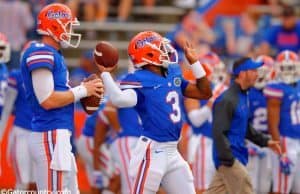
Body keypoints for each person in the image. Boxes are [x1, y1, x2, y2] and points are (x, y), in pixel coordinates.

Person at [98, 30, 212, 194]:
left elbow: (204, 93)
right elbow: (119, 100)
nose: (167, 50)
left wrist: (195, 64)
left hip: (173, 151)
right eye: (161, 47)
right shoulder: (139, 78)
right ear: (149, 54)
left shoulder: (172, 72)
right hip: (152, 151)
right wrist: (106, 75)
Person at [20, 3, 103, 193]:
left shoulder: (54, 54)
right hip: (50, 133)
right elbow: (47, 100)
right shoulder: (40, 52)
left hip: (58, 134)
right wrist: (83, 90)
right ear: (55, 26)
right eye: (68, 26)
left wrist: (80, 90)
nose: (70, 30)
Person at [205, 57, 281, 194]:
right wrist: (229, 159)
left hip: (235, 157)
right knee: (246, 187)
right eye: (253, 70)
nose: (257, 74)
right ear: (242, 73)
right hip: (230, 160)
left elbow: (245, 127)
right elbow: (218, 132)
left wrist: (266, 142)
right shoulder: (227, 99)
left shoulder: (243, 96)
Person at [184, 52, 228, 194]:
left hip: (221, 143)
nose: (218, 74)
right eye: (215, 69)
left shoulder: (223, 88)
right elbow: (195, 120)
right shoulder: (194, 87)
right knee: (202, 188)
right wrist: (211, 103)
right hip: (203, 141)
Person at [0, 41, 35, 190]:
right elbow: (7, 108)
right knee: (22, 181)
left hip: (40, 134)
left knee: (38, 183)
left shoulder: (51, 76)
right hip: (21, 132)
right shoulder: (16, 75)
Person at [264, 50, 300, 194]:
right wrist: (281, 151)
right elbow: (272, 123)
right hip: (286, 140)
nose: (287, 72)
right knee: (281, 188)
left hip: (298, 139)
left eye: (290, 67)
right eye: (284, 68)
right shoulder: (275, 88)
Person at [246, 55, 275, 193]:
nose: (259, 77)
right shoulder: (247, 93)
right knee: (251, 184)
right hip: (252, 142)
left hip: (269, 142)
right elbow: (241, 122)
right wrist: (246, 142)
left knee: (265, 185)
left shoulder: (275, 93)